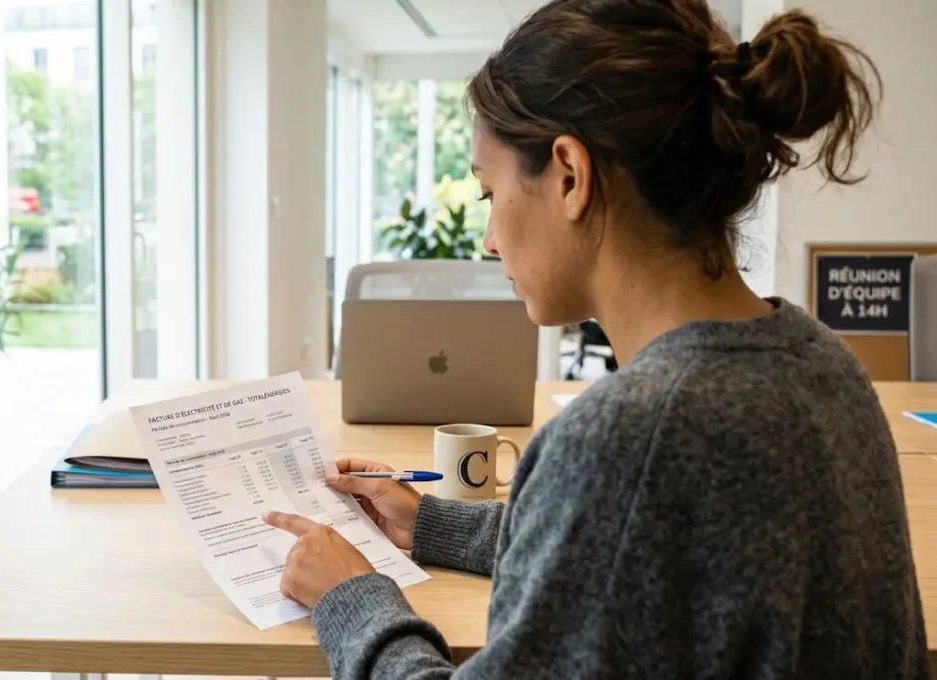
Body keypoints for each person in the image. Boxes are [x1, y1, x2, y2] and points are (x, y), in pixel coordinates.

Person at [262, 0, 931, 677]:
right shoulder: (824, 363)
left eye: (490, 193)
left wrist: (353, 598)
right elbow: (657, 551)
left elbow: (629, 508)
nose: (490, 240)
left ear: (570, 176)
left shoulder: (628, 439)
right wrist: (433, 526)